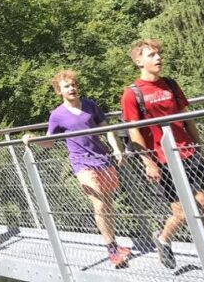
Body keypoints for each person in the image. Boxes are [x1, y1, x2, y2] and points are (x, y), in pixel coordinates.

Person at [121, 39, 204, 276]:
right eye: (151, 55)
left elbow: (186, 117)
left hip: (187, 151)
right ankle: (164, 238)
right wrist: (148, 162)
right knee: (182, 213)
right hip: (162, 158)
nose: (158, 58)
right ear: (139, 62)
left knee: (203, 205)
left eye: (158, 53)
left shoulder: (170, 85)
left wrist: (199, 144)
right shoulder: (132, 93)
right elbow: (134, 130)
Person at [24, 70, 132, 268]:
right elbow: (49, 142)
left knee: (108, 203)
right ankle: (112, 250)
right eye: (67, 86)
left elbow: (106, 128)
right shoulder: (57, 115)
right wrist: (32, 139)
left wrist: (117, 149)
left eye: (73, 84)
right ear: (59, 91)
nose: (72, 88)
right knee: (99, 203)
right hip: (81, 162)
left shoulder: (90, 105)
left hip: (102, 158)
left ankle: (115, 243)